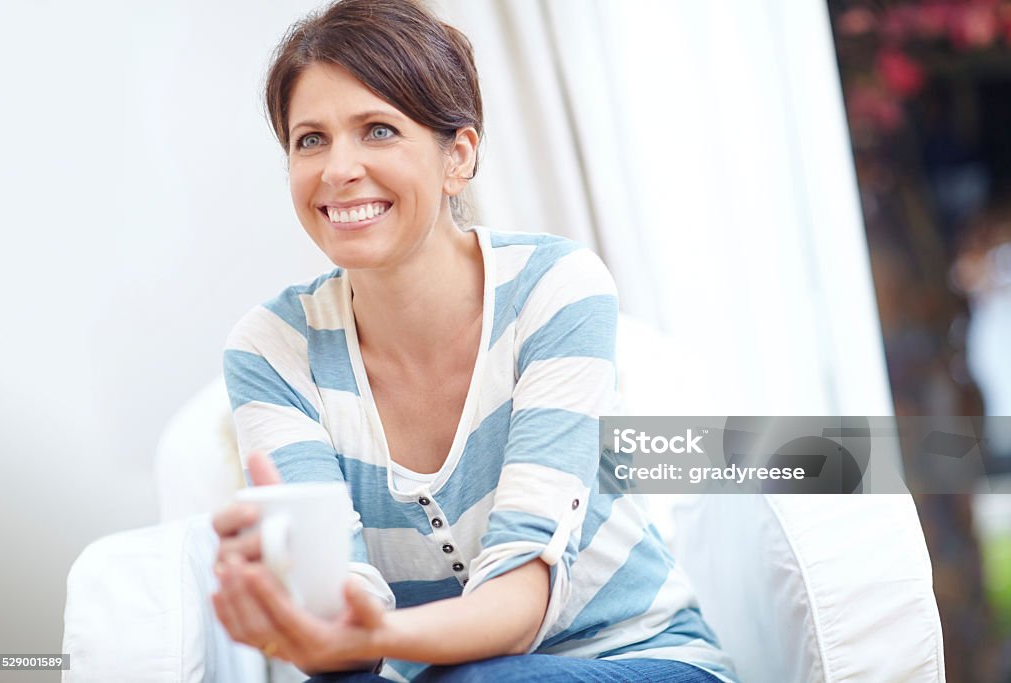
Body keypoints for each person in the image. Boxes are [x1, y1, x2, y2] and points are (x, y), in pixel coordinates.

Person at [211, 1, 737, 681]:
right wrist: (312, 613)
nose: (338, 168)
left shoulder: (555, 289)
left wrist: (373, 635)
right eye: (310, 139)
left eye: (377, 129)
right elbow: (344, 619)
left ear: (457, 157)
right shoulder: (272, 349)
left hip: (636, 658)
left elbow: (521, 594)